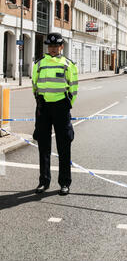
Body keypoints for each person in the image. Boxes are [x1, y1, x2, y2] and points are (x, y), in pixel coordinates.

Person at [32, 33, 78, 196]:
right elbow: (34, 85)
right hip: (43, 108)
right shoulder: (39, 64)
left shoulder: (68, 64)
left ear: (61, 47)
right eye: (50, 46)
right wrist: (39, 102)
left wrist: (67, 104)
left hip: (61, 108)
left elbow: (73, 87)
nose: (52, 49)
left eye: (55, 46)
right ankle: (44, 181)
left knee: (64, 146)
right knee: (43, 147)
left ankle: (64, 183)